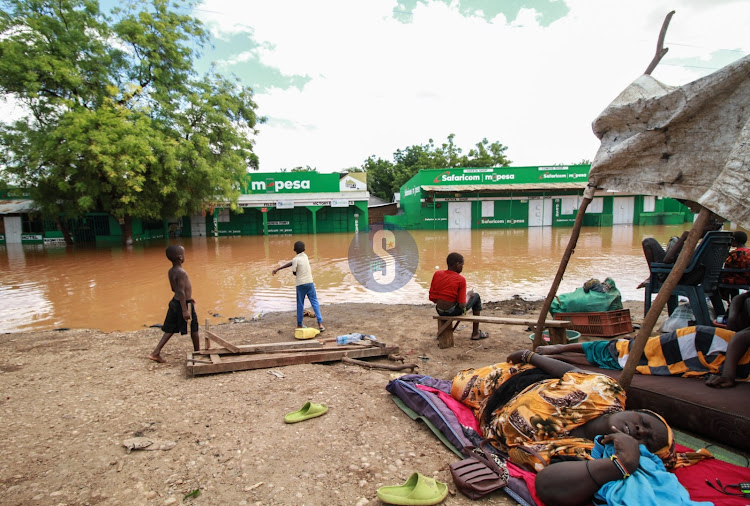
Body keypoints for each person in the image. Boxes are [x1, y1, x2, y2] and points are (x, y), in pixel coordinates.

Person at [451, 353, 707, 506]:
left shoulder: (588, 454)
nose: (641, 431)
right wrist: (532, 357)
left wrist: (621, 465)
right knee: (458, 381)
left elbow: (546, 487)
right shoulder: (608, 391)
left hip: (488, 407)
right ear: (633, 409)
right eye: (645, 422)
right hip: (520, 376)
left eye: (647, 441)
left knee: (458, 388)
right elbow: (573, 372)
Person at [636, 215, 724, 289]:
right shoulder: (715, 241)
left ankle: (655, 276)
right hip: (694, 276)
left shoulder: (706, 243)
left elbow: (668, 259)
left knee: (648, 242)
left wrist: (683, 237)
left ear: (711, 227)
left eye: (701, 224)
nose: (697, 227)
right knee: (674, 240)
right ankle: (654, 276)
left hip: (679, 276)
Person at [148, 245, 200, 363]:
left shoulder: (171, 271)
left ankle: (155, 353)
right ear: (180, 257)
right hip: (183, 304)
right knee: (194, 327)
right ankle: (198, 352)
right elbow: (181, 291)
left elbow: (174, 289)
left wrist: (189, 298)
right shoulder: (181, 272)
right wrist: (185, 309)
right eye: (184, 254)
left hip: (175, 302)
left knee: (170, 329)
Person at [429, 252, 487, 340]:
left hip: (439, 310)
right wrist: (468, 295)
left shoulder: (437, 274)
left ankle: (444, 332)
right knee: (476, 297)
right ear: (457, 264)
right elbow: (462, 305)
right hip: (452, 311)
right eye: (462, 265)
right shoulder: (460, 279)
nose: (462, 267)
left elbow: (432, 297)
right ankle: (475, 333)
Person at [272, 240, 324, 332]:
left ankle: (299, 325)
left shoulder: (296, 259)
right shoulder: (305, 256)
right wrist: (278, 269)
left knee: (300, 304)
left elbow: (294, 272)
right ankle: (320, 324)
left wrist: (277, 269)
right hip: (310, 282)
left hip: (300, 284)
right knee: (314, 302)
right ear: (304, 249)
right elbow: (292, 263)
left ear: (294, 250)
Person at [719, 231, 750, 302]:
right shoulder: (748, 251)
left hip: (740, 279)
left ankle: (725, 301)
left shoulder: (735, 253)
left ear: (734, 241)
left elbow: (726, 266)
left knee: (718, 279)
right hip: (747, 279)